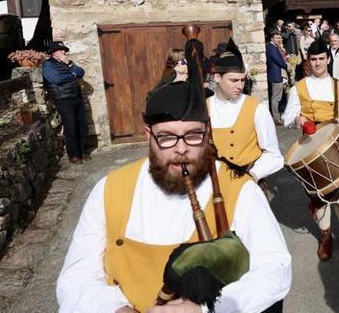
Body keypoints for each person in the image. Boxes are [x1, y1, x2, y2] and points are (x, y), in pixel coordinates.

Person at [56, 48, 291, 313]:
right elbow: (76, 278)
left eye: (193, 135)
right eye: (166, 137)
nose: (181, 149)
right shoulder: (109, 190)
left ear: (207, 133)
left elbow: (274, 268)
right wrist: (116, 309)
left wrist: (205, 308)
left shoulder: (240, 190)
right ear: (148, 135)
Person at [282, 38, 339, 261]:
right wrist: (298, 120)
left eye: (321, 59)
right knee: (318, 197)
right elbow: (286, 117)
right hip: (311, 148)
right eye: (313, 59)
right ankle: (326, 236)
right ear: (308, 61)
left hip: (337, 148)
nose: (317, 63)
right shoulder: (299, 87)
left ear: (328, 59)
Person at [208, 38, 284, 182]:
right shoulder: (203, 109)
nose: (240, 86)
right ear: (217, 77)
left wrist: (254, 174)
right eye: (234, 80)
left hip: (250, 181)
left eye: (242, 80)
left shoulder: (257, 108)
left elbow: (273, 154)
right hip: (213, 186)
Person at [42, 41, 88, 163]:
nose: (64, 52)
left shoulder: (68, 63)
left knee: (82, 126)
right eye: (60, 50)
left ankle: (82, 152)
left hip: (76, 97)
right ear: (53, 53)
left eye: (64, 50)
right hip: (63, 99)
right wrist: (73, 75)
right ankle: (74, 155)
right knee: (71, 127)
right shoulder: (48, 64)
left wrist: (70, 64)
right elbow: (56, 79)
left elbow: (81, 72)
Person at [266, 32, 286, 125]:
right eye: (276, 38)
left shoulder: (273, 47)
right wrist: (287, 66)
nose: (279, 39)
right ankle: (276, 118)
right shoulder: (271, 48)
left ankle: (277, 116)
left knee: (277, 96)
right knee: (276, 97)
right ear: (272, 39)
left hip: (275, 74)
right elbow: (279, 61)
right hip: (276, 74)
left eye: (279, 38)